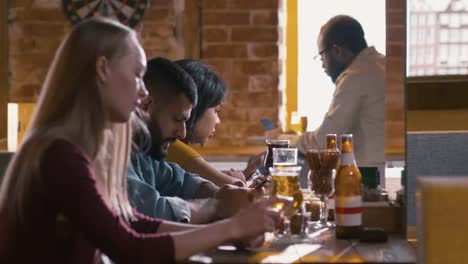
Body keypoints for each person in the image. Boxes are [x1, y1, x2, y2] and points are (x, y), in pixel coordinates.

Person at [0, 18, 280, 263]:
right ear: (103, 69)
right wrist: (231, 228)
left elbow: (133, 223)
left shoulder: (82, 149)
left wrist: (230, 230)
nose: (144, 90)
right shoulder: (60, 155)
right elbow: (129, 249)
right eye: (137, 74)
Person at [128, 57, 261, 224]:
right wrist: (216, 206)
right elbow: (149, 211)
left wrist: (219, 194)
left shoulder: (143, 156)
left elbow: (178, 180)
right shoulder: (109, 152)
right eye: (177, 119)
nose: (182, 133)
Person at [297, 15, 385, 169]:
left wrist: (284, 139)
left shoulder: (355, 77)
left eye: (322, 55)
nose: (322, 64)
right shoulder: (382, 64)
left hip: (366, 180)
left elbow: (322, 143)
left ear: (337, 50)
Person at [165, 59, 259, 187]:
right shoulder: (172, 147)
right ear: (194, 108)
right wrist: (239, 179)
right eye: (216, 110)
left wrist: (246, 173)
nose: (218, 121)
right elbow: (235, 188)